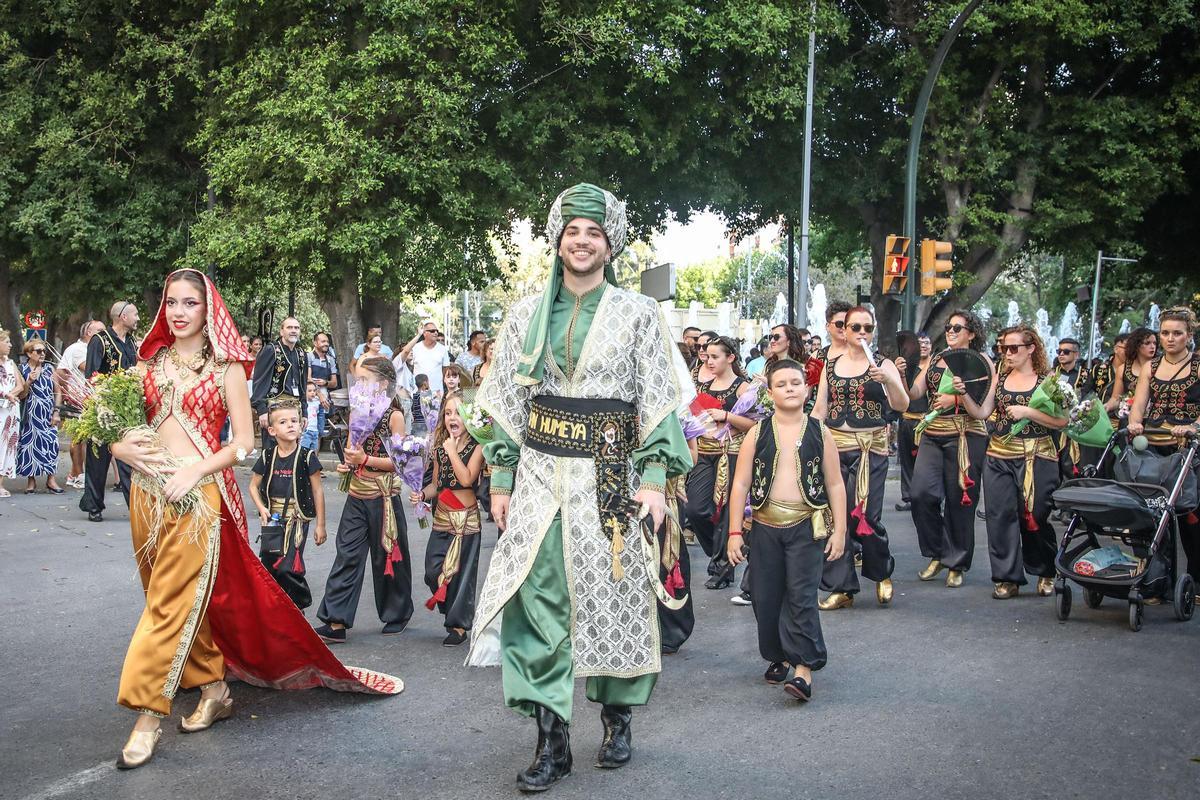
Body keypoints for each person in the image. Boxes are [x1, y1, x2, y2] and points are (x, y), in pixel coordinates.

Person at [109, 269, 399, 770]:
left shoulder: (228, 370)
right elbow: (115, 427)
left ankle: (145, 715)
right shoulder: (147, 365)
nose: (178, 312)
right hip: (146, 497)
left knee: (165, 608)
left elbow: (242, 443)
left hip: (197, 498)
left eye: (190, 303)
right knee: (173, 600)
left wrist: (196, 469)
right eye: (171, 302)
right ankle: (215, 688)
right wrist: (119, 445)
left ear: (208, 310)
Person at [469, 183, 691, 791]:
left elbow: (657, 398)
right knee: (538, 600)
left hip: (613, 477)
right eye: (573, 231)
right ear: (557, 240)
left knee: (613, 595)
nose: (583, 241)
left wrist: (653, 479)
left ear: (609, 240)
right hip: (542, 477)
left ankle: (616, 717)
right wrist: (503, 475)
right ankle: (552, 743)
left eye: (593, 231)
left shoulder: (639, 313)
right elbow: (506, 403)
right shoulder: (523, 315)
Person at [727, 358, 847, 701]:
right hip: (765, 527)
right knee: (765, 598)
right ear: (770, 392)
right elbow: (740, 485)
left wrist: (839, 531)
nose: (790, 389)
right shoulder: (757, 432)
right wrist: (735, 532)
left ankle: (803, 668)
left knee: (802, 596)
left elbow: (835, 483)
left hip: (806, 527)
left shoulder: (819, 431)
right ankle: (777, 654)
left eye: (796, 382)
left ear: (806, 389)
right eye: (782, 384)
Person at [811, 306, 908, 609]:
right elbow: (820, 408)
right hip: (835, 446)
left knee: (865, 515)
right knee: (834, 517)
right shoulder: (831, 364)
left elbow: (902, 404)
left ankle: (881, 571)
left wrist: (889, 380)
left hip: (871, 449)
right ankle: (842, 588)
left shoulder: (882, 363)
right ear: (845, 330)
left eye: (867, 328)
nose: (862, 333)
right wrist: (805, 440)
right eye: (855, 327)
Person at [316, 357, 414, 643]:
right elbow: (351, 449)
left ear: (383, 384)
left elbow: (401, 463)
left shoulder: (393, 416)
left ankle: (397, 613)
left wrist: (366, 459)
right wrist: (348, 463)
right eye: (356, 380)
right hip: (357, 494)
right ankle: (336, 620)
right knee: (347, 553)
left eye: (363, 380)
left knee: (388, 556)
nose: (358, 385)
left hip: (383, 497)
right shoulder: (357, 411)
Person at [973, 325, 1066, 599]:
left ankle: (1046, 569)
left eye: (1013, 348)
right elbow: (982, 411)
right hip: (999, 454)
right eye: (1003, 347)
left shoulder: (1048, 381)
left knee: (1035, 515)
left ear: (1031, 349)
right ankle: (1006, 577)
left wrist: (1028, 411)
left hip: (1038, 455)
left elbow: (1063, 421)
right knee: (999, 516)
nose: (1007, 353)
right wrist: (964, 394)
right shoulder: (999, 376)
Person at [907, 311, 992, 588]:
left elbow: (983, 405)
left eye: (957, 327)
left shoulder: (983, 362)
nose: (950, 331)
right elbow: (915, 393)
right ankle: (938, 552)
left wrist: (955, 396)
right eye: (948, 327)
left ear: (972, 333)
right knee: (920, 494)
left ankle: (956, 562)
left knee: (960, 499)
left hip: (966, 434)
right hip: (933, 433)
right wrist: (900, 372)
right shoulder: (935, 359)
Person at [1128, 306, 1200, 581]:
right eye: (1165, 333)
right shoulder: (1151, 366)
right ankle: (1159, 580)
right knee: (1155, 513)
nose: (1170, 338)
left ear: (1188, 335)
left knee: (1191, 514)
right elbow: (1139, 404)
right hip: (1155, 446)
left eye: (1177, 333)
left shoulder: (1197, 365)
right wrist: (1135, 423)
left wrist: (1193, 426)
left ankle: (1195, 579)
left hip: (1189, 447)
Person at [412, 391, 484, 646]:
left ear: (469, 417)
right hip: (442, 518)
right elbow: (435, 484)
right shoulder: (440, 448)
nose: (452, 417)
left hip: (466, 521)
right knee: (433, 571)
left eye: (458, 413)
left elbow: (466, 479)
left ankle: (458, 626)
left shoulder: (478, 446)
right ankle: (447, 605)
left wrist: (452, 451)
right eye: (448, 413)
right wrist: (421, 493)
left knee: (461, 575)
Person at [685, 336, 756, 589]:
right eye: (707, 355)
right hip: (705, 451)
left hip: (732, 452)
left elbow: (755, 424)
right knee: (695, 508)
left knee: (728, 511)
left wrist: (726, 416)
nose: (710, 360)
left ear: (731, 358)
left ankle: (723, 569)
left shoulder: (743, 387)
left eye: (716, 356)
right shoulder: (703, 386)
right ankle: (716, 550)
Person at [249, 400, 327, 609]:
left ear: (302, 425)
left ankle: (300, 601)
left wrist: (320, 525)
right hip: (272, 520)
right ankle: (281, 609)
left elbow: (318, 490)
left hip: (297, 519)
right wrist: (262, 508)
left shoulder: (307, 457)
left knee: (288, 567)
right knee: (268, 566)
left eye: (294, 420)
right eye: (283, 422)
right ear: (272, 430)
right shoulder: (267, 456)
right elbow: (253, 486)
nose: (290, 425)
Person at [80, 300, 139, 522]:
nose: (138, 319)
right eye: (135, 315)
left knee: (129, 458)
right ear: (122, 317)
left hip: (127, 410)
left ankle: (135, 505)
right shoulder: (100, 340)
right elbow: (92, 375)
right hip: (103, 409)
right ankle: (94, 505)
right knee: (98, 459)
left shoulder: (131, 341)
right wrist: (107, 396)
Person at [57, 320, 105, 488]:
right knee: (78, 438)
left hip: (90, 399)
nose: (103, 334)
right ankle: (79, 474)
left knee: (83, 438)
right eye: (100, 331)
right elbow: (91, 369)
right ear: (88, 333)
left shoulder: (90, 348)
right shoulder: (78, 350)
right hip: (78, 400)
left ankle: (74, 473)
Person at [251, 317, 309, 450]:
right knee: (272, 450)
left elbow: (303, 385)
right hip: (274, 408)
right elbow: (259, 381)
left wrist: (305, 411)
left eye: (296, 328)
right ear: (281, 331)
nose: (293, 331)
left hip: (295, 409)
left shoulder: (301, 354)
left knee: (293, 449)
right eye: (289, 327)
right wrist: (261, 409)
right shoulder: (271, 350)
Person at [17, 339, 63, 493]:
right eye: (38, 351)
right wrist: (29, 381)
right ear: (29, 353)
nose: (42, 354)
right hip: (30, 414)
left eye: (44, 351)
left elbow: (58, 392)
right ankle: (31, 481)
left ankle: (51, 480)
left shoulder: (50, 369)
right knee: (29, 445)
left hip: (47, 412)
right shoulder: (22, 369)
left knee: (51, 443)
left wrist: (56, 412)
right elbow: (22, 395)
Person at [894, 332, 932, 512]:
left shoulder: (935, 368)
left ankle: (927, 496)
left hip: (927, 421)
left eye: (926, 343)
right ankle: (908, 496)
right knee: (907, 460)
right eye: (920, 343)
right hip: (908, 419)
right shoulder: (908, 367)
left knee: (926, 461)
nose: (923, 346)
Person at [1107, 326, 1158, 421]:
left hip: (1155, 420)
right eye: (1147, 343)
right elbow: (1115, 398)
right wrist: (1106, 407)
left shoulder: (1161, 367)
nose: (1152, 347)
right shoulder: (1123, 369)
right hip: (1129, 420)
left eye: (1154, 343)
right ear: (1137, 345)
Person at [0, 330, 24, 495]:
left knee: (7, 445)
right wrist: (5, 394)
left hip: (10, 409)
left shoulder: (10, 363)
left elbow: (20, 385)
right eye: (7, 342)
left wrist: (11, 395)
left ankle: (0, 483)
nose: (10, 345)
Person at [401, 321, 451, 394]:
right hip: (418, 392)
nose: (436, 333)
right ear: (424, 333)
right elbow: (409, 366)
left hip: (436, 393)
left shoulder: (443, 349)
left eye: (437, 331)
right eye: (432, 331)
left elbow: (445, 370)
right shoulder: (415, 348)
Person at [308, 331, 340, 440]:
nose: (326, 343)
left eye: (327, 341)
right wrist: (319, 394)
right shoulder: (309, 357)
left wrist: (326, 383)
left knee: (320, 431)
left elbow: (334, 383)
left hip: (324, 400)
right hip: (310, 399)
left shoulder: (330, 360)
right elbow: (308, 379)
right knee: (309, 430)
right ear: (315, 343)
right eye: (323, 341)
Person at [300, 381, 322, 452]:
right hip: (306, 431)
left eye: (314, 390)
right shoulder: (303, 404)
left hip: (315, 431)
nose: (312, 392)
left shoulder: (316, 402)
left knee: (313, 452)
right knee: (304, 451)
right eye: (309, 391)